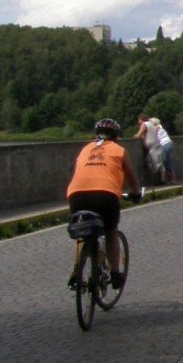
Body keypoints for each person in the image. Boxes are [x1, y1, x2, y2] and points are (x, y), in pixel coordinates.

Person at [66, 118, 142, 289]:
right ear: (116, 136)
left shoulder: (85, 149)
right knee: (110, 232)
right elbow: (133, 180)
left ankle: (77, 270)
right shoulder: (118, 150)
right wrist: (136, 194)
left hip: (77, 195)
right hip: (105, 195)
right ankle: (115, 273)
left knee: (82, 234)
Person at [135, 111, 175, 184]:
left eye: (139, 120)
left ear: (140, 119)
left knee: (154, 164)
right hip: (158, 145)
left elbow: (138, 135)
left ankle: (165, 180)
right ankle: (164, 179)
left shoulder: (144, 124)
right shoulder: (151, 125)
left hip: (154, 147)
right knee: (160, 164)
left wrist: (135, 136)